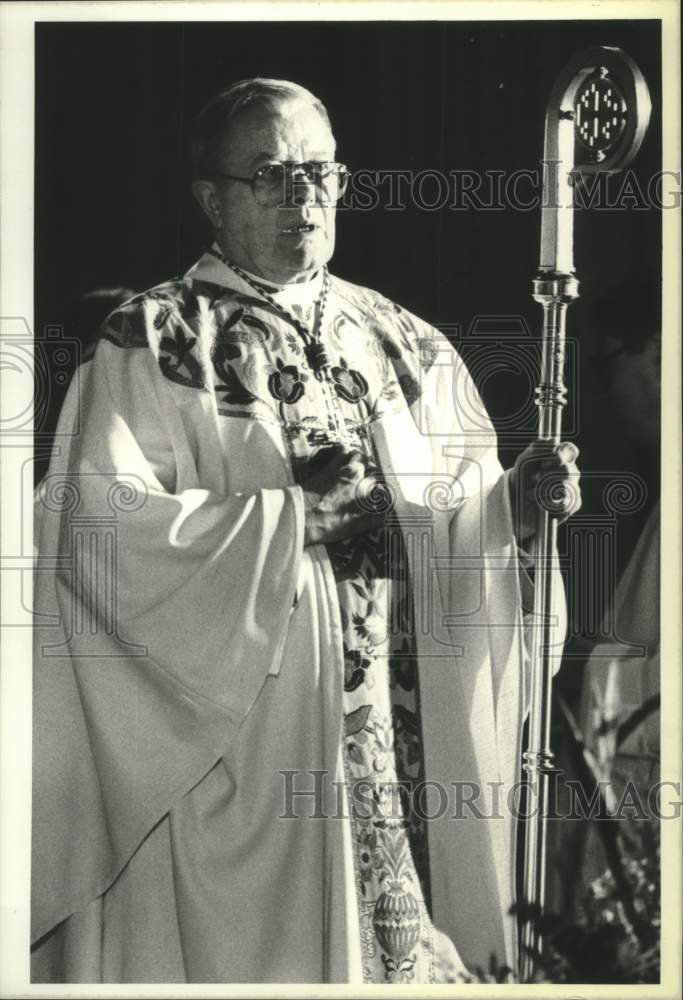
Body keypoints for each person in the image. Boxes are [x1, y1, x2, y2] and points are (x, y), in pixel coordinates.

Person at [31, 78, 580, 984]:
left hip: (402, 774)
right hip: (247, 770)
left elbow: (456, 526)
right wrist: (287, 525)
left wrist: (512, 513)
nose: (302, 197)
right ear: (211, 198)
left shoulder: (406, 343)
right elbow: (98, 540)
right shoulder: (156, 342)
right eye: (272, 175)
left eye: (318, 173)